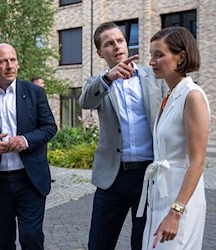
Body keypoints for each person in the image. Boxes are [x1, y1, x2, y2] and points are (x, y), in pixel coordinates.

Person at [79, 22, 168, 250]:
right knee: (99, 244)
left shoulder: (154, 77)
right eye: (109, 44)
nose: (116, 46)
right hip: (113, 178)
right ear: (100, 53)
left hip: (148, 176)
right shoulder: (97, 83)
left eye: (119, 40)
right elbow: (86, 101)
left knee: (144, 244)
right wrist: (109, 78)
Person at [0, 43, 57, 250]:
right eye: (2, 61)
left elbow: (50, 127)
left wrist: (25, 140)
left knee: (32, 238)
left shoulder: (34, 93)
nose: (9, 66)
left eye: (13, 60)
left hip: (30, 180)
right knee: (4, 242)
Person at [137, 26, 210, 249]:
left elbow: (197, 160)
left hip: (180, 200)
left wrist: (176, 212)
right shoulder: (169, 95)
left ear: (181, 57)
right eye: (151, 55)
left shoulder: (192, 96)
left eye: (159, 55)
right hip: (159, 193)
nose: (151, 61)